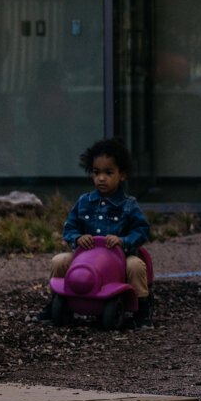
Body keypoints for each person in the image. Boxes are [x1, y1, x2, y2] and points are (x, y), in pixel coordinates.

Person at [49, 137, 152, 321]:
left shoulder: (128, 205)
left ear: (122, 175)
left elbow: (142, 230)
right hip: (86, 256)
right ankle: (56, 301)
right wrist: (78, 238)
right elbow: (70, 228)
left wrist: (123, 241)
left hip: (118, 258)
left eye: (108, 172)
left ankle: (141, 309)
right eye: (96, 173)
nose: (101, 178)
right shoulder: (84, 202)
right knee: (59, 261)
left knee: (136, 266)